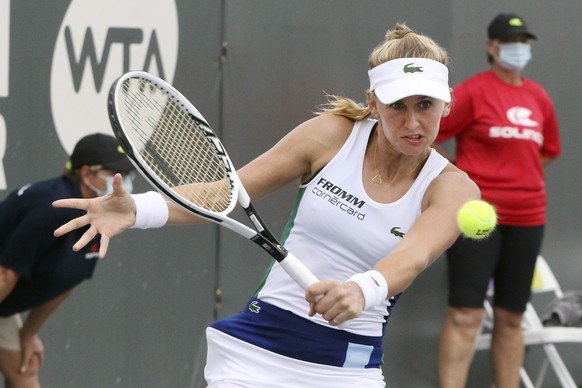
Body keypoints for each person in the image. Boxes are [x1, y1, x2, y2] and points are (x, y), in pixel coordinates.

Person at [53, 24, 480, 387]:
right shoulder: (331, 136)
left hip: (348, 369)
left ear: (446, 104)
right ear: (373, 102)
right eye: (396, 106)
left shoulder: (453, 190)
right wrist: (138, 210)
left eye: (425, 105)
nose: (412, 122)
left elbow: (412, 256)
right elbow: (228, 192)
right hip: (256, 353)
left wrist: (360, 290)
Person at [435, 13, 561, 388]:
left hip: (529, 218)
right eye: (511, 41)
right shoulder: (473, 92)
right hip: (478, 216)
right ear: (492, 46)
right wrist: (460, 178)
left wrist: (516, 175)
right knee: (465, 315)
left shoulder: (538, 96)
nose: (519, 48)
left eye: (524, 41)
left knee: (511, 318)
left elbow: (549, 150)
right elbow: (431, 135)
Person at [0, 133, 135, 387]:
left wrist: (28, 333)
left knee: (24, 371)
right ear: (87, 174)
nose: (123, 184)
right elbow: (5, 274)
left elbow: (67, 281)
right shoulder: (48, 209)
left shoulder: (95, 219)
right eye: (115, 175)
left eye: (127, 176)